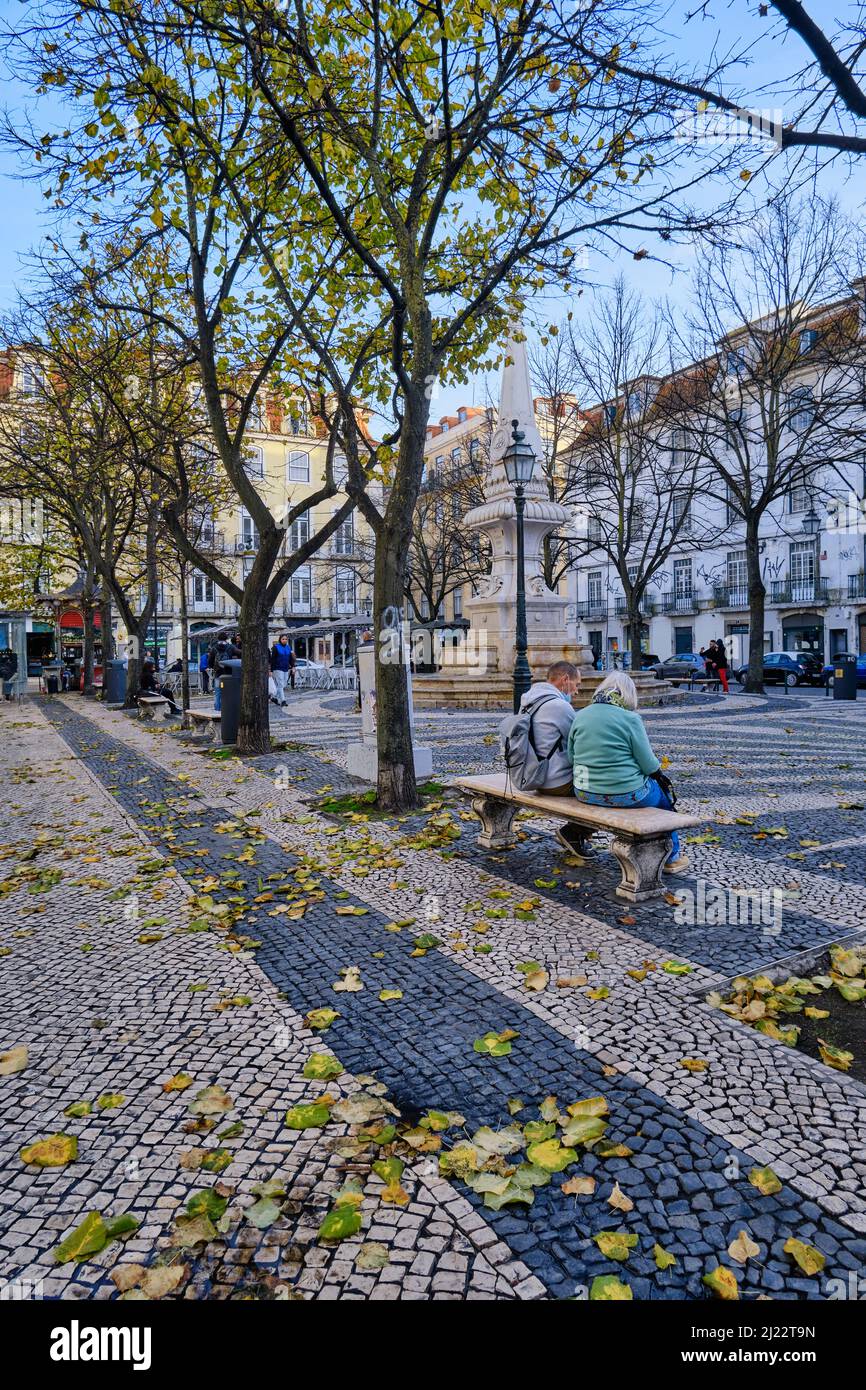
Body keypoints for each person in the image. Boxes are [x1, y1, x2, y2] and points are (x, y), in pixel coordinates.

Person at [567, 671, 688, 873]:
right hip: (627, 795)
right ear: (628, 694)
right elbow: (649, 765)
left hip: (584, 792)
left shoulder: (580, 715)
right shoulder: (630, 718)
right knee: (664, 802)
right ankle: (672, 857)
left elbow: (571, 757)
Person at [516, 661, 590, 855]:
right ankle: (573, 832)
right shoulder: (559, 706)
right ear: (565, 680)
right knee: (604, 788)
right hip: (556, 781)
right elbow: (580, 744)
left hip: (531, 775)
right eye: (577, 684)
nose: (576, 691)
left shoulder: (527, 702)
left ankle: (575, 832)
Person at [270, 632, 293, 706]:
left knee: (284, 684)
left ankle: (273, 697)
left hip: (286, 668)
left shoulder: (288, 648)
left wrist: (293, 667)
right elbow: (272, 659)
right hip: (277, 668)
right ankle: (283, 701)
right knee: (280, 684)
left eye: (286, 639)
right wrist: (271, 670)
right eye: (283, 639)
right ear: (280, 639)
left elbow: (290, 658)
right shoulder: (276, 647)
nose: (285, 640)